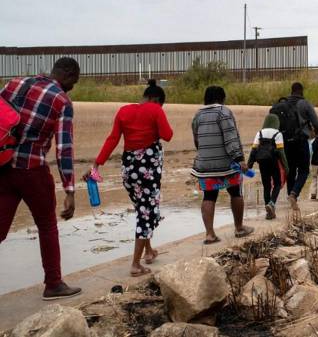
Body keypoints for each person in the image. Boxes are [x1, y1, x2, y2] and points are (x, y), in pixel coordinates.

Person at [0, 58, 82, 300]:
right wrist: (70, 189)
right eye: (73, 82)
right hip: (32, 168)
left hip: (3, 165)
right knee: (47, 226)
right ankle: (54, 284)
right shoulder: (62, 101)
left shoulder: (15, 83)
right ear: (67, 75)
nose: (72, 88)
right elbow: (64, 148)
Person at [86, 79, 173, 277]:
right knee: (146, 213)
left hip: (129, 171)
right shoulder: (155, 109)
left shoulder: (124, 111)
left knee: (142, 209)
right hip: (148, 171)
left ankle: (149, 251)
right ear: (155, 99)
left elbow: (112, 139)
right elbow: (167, 135)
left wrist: (96, 164)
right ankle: (135, 264)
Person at [191, 86, 254, 244]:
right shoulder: (223, 112)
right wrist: (240, 159)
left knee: (209, 196)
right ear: (222, 98)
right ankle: (239, 228)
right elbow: (231, 138)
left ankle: (210, 234)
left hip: (204, 165)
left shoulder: (198, 115)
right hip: (226, 164)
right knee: (235, 193)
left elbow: (197, 141)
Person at [270, 82, 318, 210]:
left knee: (290, 171)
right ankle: (294, 194)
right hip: (301, 141)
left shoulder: (283, 105)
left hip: (285, 143)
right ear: (302, 91)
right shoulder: (305, 104)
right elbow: (317, 124)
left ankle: (291, 198)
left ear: (291, 91)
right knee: (304, 170)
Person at [248, 114, 289, 220]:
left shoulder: (259, 133)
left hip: (262, 162)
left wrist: (249, 165)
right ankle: (271, 203)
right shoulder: (278, 134)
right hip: (273, 162)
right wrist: (286, 167)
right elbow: (281, 152)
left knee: (266, 186)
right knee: (277, 184)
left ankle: (269, 212)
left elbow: (254, 150)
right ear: (276, 123)